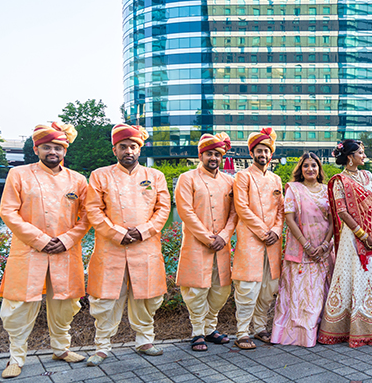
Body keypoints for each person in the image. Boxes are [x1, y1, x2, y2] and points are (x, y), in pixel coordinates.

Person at [0, 122, 88, 378]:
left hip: (65, 252)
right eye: (47, 147)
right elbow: (8, 212)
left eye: (58, 148)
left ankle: (61, 349)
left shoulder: (78, 180)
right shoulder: (19, 175)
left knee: (64, 305)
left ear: (64, 151)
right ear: (36, 149)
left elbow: (86, 216)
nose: (53, 152)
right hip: (29, 252)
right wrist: (39, 239)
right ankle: (15, 358)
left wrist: (67, 240)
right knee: (19, 307)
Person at [85, 124, 171, 365]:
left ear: (139, 149)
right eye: (123, 147)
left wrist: (143, 231)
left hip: (145, 247)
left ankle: (144, 340)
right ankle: (102, 346)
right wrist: (117, 233)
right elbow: (93, 209)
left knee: (146, 297)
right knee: (105, 299)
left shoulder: (155, 176)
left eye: (133, 146)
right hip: (111, 247)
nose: (128, 151)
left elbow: (163, 209)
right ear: (114, 150)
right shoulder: (99, 175)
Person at [317, 140, 372, 347]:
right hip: (352, 238)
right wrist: (362, 235)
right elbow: (341, 212)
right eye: (360, 152)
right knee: (357, 276)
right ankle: (357, 330)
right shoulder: (339, 181)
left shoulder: (368, 176)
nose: (363, 156)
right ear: (350, 156)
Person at [175, 133, 237, 352]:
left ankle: (211, 327)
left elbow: (234, 214)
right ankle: (197, 332)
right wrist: (207, 237)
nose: (213, 158)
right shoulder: (187, 178)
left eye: (217, 154)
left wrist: (224, 236)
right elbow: (185, 211)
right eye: (209, 154)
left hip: (222, 244)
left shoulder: (230, 181)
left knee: (221, 289)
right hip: (197, 243)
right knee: (196, 290)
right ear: (200, 155)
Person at [271, 152, 334, 347]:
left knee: (320, 293)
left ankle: (324, 332)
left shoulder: (327, 190)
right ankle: (299, 335)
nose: (310, 169)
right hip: (300, 250)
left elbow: (333, 220)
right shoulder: (293, 189)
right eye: (306, 165)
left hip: (323, 249)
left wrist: (324, 245)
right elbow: (289, 219)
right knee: (299, 293)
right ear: (301, 169)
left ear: (319, 169)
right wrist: (306, 245)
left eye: (313, 165)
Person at [232, 128, 284, 349]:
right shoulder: (243, 176)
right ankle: (242, 331)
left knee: (269, 287)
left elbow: (282, 211)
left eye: (266, 151)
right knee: (248, 287)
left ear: (270, 154)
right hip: (251, 241)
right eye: (259, 151)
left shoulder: (276, 179)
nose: (263, 155)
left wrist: (276, 231)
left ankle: (260, 328)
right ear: (251, 153)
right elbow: (241, 208)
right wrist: (265, 232)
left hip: (273, 242)